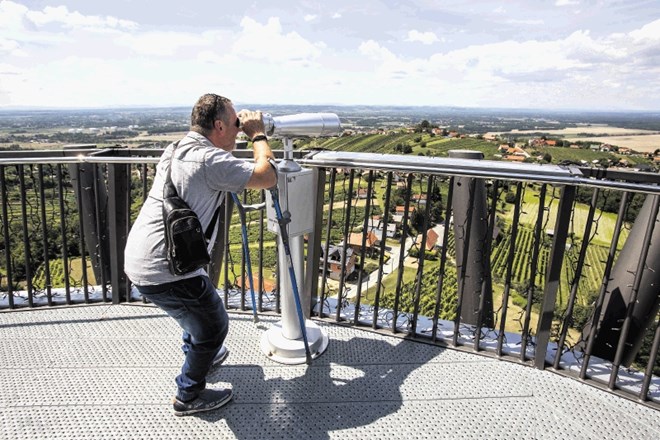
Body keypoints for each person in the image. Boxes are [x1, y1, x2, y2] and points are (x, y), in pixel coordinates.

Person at [124, 93, 276, 416]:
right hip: (165, 267)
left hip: (142, 256)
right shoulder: (210, 160)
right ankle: (188, 393)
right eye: (235, 124)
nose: (238, 130)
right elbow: (268, 175)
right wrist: (258, 134)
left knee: (195, 313)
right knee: (214, 324)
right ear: (219, 125)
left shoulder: (175, 149)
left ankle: (202, 354)